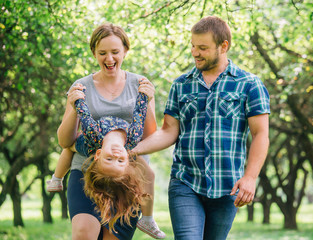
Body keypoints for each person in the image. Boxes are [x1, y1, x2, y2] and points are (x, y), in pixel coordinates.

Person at [131, 16, 270, 240]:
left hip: (227, 186)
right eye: (193, 46)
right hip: (185, 181)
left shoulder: (249, 84)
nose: (195, 53)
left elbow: (261, 134)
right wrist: (133, 150)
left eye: (203, 48)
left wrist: (250, 177)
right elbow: (169, 131)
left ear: (223, 46)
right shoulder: (181, 84)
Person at [56, 23, 164, 240]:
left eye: (115, 52)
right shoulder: (81, 86)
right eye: (102, 53)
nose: (109, 59)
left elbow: (149, 136)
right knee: (84, 234)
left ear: (125, 50)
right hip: (86, 172)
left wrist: (149, 100)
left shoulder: (140, 84)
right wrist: (73, 107)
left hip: (128, 174)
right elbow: (64, 140)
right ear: (94, 53)